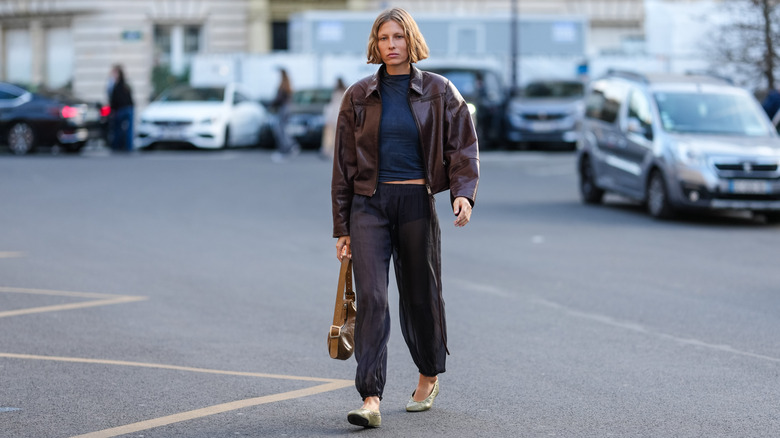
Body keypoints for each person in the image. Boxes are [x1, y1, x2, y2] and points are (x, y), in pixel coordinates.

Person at [331, 7, 479, 429]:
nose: (391, 45)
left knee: (420, 295)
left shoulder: (439, 90)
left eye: (398, 37)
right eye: (383, 38)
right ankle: (370, 397)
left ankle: (428, 375)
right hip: (369, 206)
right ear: (375, 45)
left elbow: (463, 147)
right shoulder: (358, 96)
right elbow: (343, 166)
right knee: (373, 299)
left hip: (416, 201)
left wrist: (463, 194)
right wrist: (342, 226)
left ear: (411, 40)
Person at [269, 68, 300, 162]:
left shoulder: (283, 85)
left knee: (280, 130)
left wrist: (271, 105)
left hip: (283, 109)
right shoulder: (287, 84)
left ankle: (286, 149)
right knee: (283, 129)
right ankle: (291, 146)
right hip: (286, 108)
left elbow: (279, 99)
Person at [108, 64, 135, 152]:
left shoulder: (116, 85)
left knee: (118, 128)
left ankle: (118, 146)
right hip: (128, 108)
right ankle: (128, 147)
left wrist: (113, 109)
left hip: (122, 109)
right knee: (128, 130)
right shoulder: (125, 84)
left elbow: (114, 99)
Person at [320, 77, 347, 159]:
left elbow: (333, 105)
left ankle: (330, 151)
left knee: (332, 134)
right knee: (339, 134)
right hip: (340, 114)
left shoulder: (336, 92)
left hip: (334, 114)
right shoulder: (345, 91)